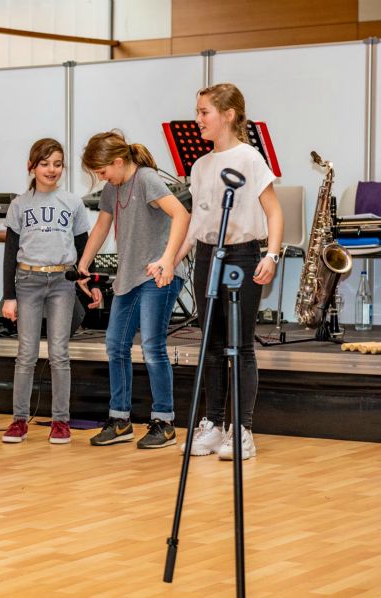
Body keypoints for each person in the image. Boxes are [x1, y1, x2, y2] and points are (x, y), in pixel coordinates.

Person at [174, 83, 282, 461]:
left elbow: (274, 212)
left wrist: (271, 256)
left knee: (241, 345)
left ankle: (243, 429)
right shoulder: (200, 166)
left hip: (242, 256)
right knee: (212, 344)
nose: (198, 119)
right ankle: (214, 425)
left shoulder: (250, 159)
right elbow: (196, 224)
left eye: (204, 112)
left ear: (229, 115)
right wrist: (171, 260)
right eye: (198, 111)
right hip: (208, 256)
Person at [77, 131, 191, 449]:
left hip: (157, 275)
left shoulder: (146, 179)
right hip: (129, 277)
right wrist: (83, 263)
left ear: (117, 161)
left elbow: (182, 215)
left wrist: (168, 260)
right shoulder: (112, 188)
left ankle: (164, 422)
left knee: (152, 347)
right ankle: (120, 419)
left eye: (102, 171)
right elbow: (102, 226)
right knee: (116, 345)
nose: (102, 178)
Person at [0, 139, 100, 444]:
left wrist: (92, 283)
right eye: (44, 164)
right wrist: (9, 296)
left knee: (59, 353)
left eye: (57, 164)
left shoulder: (72, 202)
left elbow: (84, 247)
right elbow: (10, 252)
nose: (51, 169)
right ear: (31, 167)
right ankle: (19, 420)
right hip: (28, 280)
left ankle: (60, 421)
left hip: (62, 282)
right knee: (26, 354)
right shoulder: (19, 204)